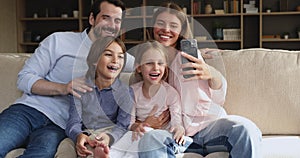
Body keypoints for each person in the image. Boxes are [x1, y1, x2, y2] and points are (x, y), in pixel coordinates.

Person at [0, 0, 134, 157]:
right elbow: (23, 79)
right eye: (106, 17)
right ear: (92, 19)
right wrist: (64, 87)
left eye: (117, 20)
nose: (112, 25)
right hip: (29, 111)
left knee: (40, 155)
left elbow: (153, 66)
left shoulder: (120, 57)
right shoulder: (59, 41)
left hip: (59, 126)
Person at [138, 2, 262, 158]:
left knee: (245, 128)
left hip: (210, 128)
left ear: (181, 30)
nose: (166, 29)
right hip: (174, 134)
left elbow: (218, 98)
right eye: (160, 23)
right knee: (150, 140)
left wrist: (212, 74)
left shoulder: (189, 56)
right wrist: (145, 123)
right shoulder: (145, 63)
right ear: (152, 28)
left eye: (173, 25)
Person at [110, 40, 190, 157]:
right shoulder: (132, 92)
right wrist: (141, 125)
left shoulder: (171, 93)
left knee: (145, 134)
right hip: (141, 132)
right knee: (130, 136)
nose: (155, 68)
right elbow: (129, 124)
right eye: (149, 63)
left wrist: (179, 129)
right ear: (138, 67)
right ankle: (110, 154)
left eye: (160, 63)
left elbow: (177, 122)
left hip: (163, 136)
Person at [65, 37, 134, 158]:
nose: (115, 60)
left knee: (98, 151)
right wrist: (78, 136)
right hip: (84, 133)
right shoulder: (79, 87)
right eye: (108, 54)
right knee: (64, 149)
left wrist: (109, 138)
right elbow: (73, 121)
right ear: (94, 60)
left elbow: (122, 126)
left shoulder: (126, 92)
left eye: (120, 56)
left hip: (109, 134)